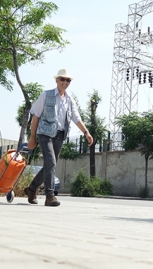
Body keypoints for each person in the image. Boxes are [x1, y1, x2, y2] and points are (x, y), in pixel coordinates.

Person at [24, 68, 93, 206]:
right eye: (62, 79)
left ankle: (31, 189)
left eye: (68, 80)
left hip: (60, 135)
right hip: (45, 134)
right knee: (51, 163)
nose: (65, 82)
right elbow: (35, 116)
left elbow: (76, 118)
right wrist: (32, 138)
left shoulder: (69, 100)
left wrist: (86, 132)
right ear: (56, 80)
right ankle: (50, 196)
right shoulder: (46, 95)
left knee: (49, 165)